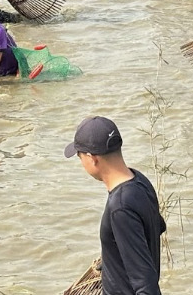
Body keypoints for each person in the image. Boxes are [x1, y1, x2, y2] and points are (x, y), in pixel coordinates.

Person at [64, 116, 165, 295]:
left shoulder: (120, 207)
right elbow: (156, 227)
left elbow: (145, 285)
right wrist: (112, 257)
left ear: (92, 158)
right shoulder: (140, 181)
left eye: (80, 157)